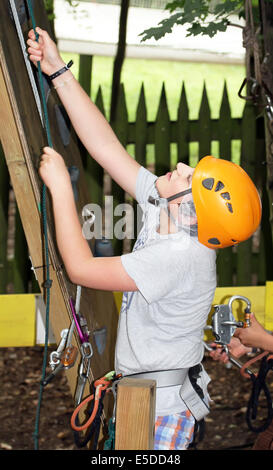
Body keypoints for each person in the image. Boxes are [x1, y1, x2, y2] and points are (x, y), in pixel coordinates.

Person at [27, 27, 262, 450]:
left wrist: (61, 189)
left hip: (160, 410)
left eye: (189, 177)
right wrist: (57, 70)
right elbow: (107, 148)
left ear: (192, 211)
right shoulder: (170, 211)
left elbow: (81, 269)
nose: (180, 165)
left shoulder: (178, 255)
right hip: (147, 395)